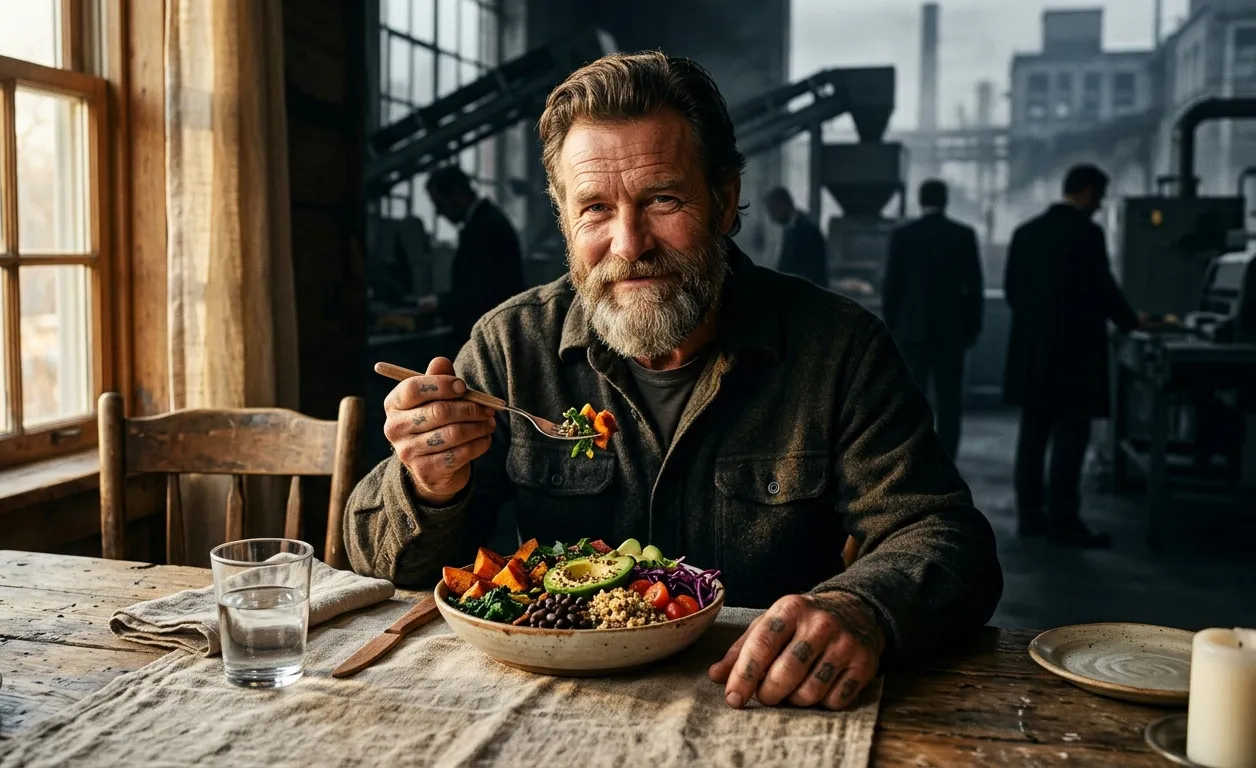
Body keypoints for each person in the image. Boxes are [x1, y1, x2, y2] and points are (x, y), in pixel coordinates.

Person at [347, 52, 1001, 712]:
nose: (629, 243)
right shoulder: (511, 347)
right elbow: (376, 565)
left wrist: (862, 608)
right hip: (559, 708)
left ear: (723, 199)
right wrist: (429, 483)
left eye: (662, 199)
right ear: (563, 218)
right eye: (595, 208)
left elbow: (945, 536)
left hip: (764, 705)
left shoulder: (840, 350)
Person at [1003, 164, 1141, 548]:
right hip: (1075, 358)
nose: (1098, 206)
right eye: (1097, 197)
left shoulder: (1025, 233)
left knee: (1032, 436)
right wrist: (1132, 322)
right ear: (1084, 191)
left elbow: (1013, 292)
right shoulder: (1087, 234)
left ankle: (1030, 517)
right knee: (1070, 438)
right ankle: (1064, 520)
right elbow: (1103, 291)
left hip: (1034, 356)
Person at [882, 179, 984, 460]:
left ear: (920, 200)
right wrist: (972, 329)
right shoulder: (963, 234)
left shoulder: (903, 235)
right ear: (945, 200)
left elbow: (891, 286)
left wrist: (892, 327)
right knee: (950, 401)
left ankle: (915, 457)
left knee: (913, 400)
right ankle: (947, 458)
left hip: (912, 333)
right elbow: (974, 287)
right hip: (951, 334)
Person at [419, 165, 525, 344]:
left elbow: (485, 291)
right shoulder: (486, 222)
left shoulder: (486, 228)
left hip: (489, 335)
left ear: (458, 194)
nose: (438, 212)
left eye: (440, 204)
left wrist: (440, 303)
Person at [763, 187, 828, 287]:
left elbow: (810, 273)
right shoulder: (790, 230)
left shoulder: (808, 231)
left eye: (772, 210)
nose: (771, 217)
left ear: (782, 204)